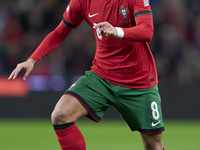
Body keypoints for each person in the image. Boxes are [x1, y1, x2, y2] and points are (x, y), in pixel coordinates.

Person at [8, 0, 165, 149]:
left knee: (154, 144)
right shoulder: (81, 2)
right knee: (60, 115)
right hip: (101, 76)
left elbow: (147, 31)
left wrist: (116, 30)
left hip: (138, 81)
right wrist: (32, 59)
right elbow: (59, 33)